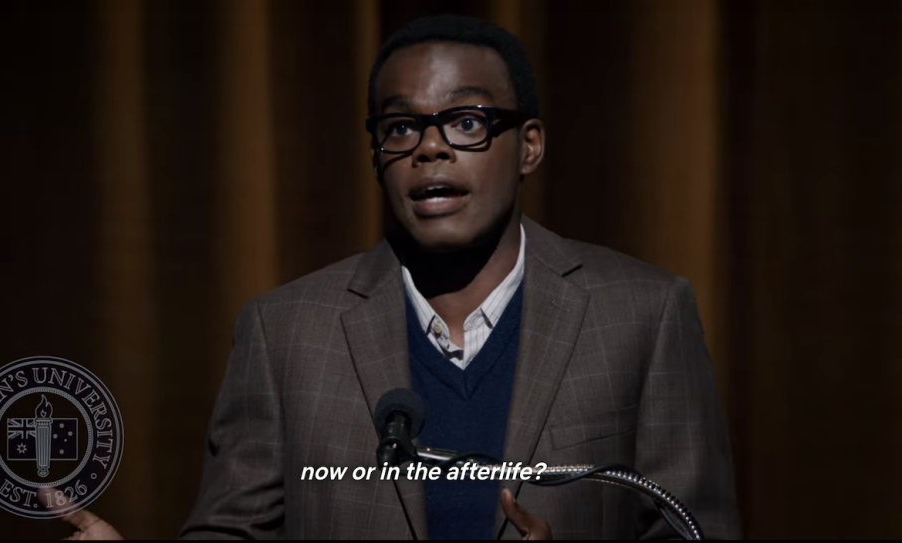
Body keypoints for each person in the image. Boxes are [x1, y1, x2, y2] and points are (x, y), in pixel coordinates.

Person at [61, 14, 740, 540]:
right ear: (377, 153)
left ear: (528, 145)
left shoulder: (644, 315)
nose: (431, 146)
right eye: (401, 127)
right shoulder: (287, 332)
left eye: (467, 121)